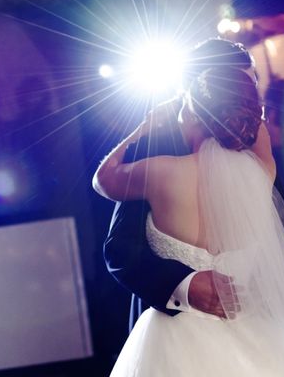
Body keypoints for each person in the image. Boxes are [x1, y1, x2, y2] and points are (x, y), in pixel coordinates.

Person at [94, 67, 284, 375]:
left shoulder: (160, 173)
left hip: (175, 341)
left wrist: (144, 127)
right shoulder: (262, 173)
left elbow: (103, 179)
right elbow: (256, 130)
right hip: (256, 335)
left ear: (191, 113)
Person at [103, 38, 256, 328]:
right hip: (173, 326)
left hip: (251, 322)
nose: (251, 104)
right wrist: (183, 285)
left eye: (252, 86)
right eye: (240, 86)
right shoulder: (155, 148)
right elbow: (120, 249)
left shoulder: (254, 151)